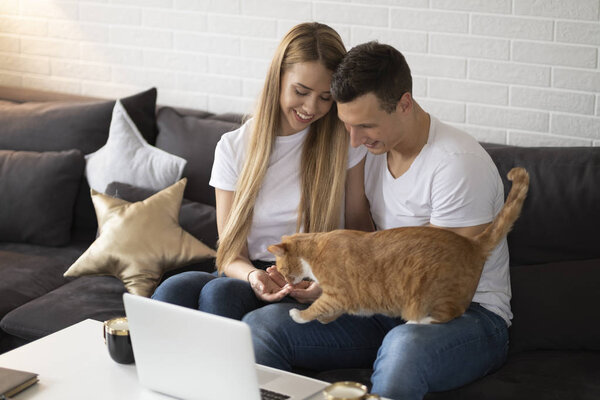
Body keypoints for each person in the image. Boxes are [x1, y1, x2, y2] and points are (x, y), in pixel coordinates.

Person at [243, 41, 511, 400]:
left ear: (404, 103)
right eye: (346, 125)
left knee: (405, 347)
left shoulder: (457, 164)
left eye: (366, 125)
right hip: (386, 305)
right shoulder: (368, 150)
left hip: (470, 316)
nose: (354, 139)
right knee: (261, 328)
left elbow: (442, 282)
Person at [152, 22, 367, 320]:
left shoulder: (345, 143)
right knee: (171, 291)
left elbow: (361, 231)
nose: (311, 107)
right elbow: (230, 255)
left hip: (311, 278)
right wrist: (254, 276)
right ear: (277, 78)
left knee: (218, 293)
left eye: (325, 97)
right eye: (301, 91)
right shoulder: (234, 147)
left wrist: (330, 282)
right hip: (250, 272)